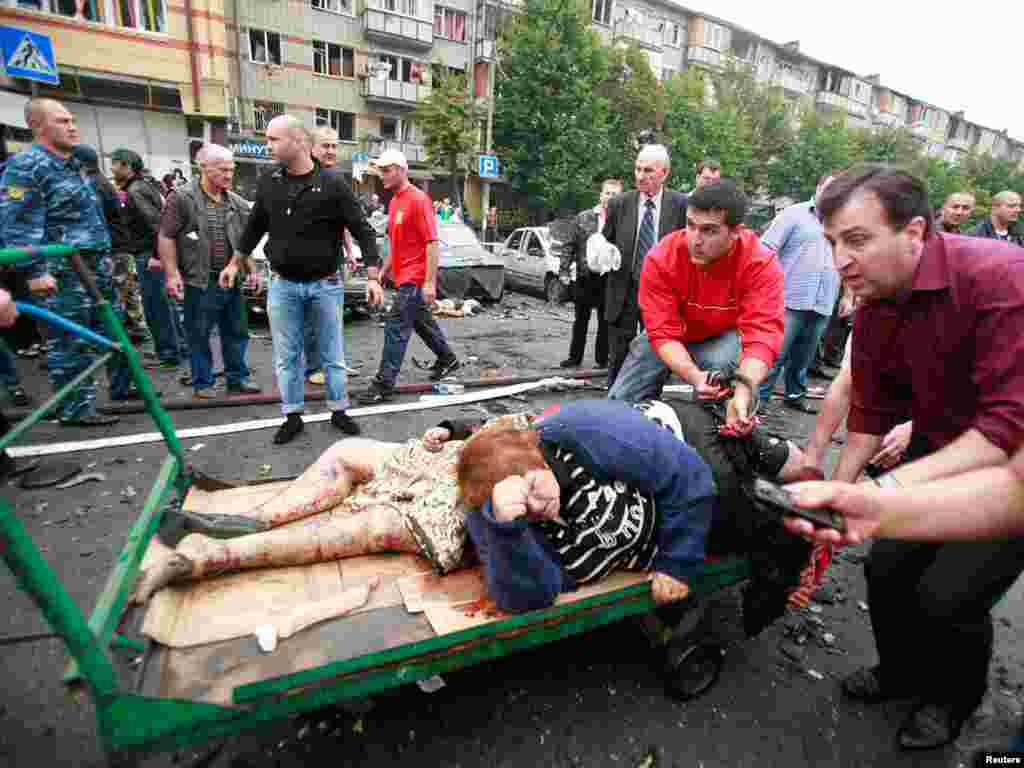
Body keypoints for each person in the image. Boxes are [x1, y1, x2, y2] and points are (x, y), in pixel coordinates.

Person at [806, 163, 1024, 750]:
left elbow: (1005, 428)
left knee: (950, 596)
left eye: (856, 240)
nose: (840, 262)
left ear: (916, 233)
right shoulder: (874, 308)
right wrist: (831, 504)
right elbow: (870, 416)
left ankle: (951, 700)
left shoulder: (1001, 278)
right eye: (832, 244)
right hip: (939, 447)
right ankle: (902, 671)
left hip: (1012, 470)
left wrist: (881, 495)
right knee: (886, 570)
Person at [233, 116, 377, 443]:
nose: (267, 145)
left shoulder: (333, 184)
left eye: (274, 139)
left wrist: (372, 275)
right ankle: (292, 415)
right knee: (287, 355)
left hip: (325, 284)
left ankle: (339, 410)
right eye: (267, 139)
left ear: (298, 141)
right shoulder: (269, 180)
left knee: (332, 353)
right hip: (283, 284)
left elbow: (361, 229)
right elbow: (255, 225)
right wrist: (235, 261)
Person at [608, 180, 784, 438]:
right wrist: (692, 375)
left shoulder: (760, 263)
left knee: (721, 368)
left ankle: (712, 430)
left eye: (709, 231)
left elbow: (762, 337)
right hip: (671, 335)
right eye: (690, 225)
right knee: (619, 401)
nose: (695, 240)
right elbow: (662, 332)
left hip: (721, 336)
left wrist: (744, 390)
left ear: (735, 231)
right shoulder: (661, 258)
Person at [0, 98, 133, 424]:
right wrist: (34, 271)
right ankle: (76, 409)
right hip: (61, 272)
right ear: (37, 126)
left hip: (93, 266)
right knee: (68, 340)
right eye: (62, 121)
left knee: (111, 334)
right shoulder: (27, 166)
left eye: (72, 120)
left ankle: (119, 391)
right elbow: (15, 223)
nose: (72, 126)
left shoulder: (72, 164)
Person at [157, 144, 261, 400]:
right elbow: (166, 236)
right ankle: (203, 382)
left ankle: (237, 378)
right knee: (199, 333)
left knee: (236, 331)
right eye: (222, 170)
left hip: (231, 280)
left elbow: (244, 242)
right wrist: (172, 274)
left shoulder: (236, 203)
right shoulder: (181, 198)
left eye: (231, 170)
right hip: (199, 280)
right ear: (202, 167)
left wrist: (253, 271)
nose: (228, 175)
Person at [359, 149, 459, 404]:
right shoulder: (394, 202)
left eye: (387, 170)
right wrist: (383, 271)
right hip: (403, 276)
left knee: (395, 326)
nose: (382, 175)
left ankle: (384, 384)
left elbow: (432, 243)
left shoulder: (418, 199)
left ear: (401, 170)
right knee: (420, 322)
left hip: (415, 278)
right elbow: (394, 241)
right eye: (381, 171)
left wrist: (429, 282)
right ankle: (448, 359)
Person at [601, 144, 688, 387]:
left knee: (657, 350)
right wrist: (600, 250)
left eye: (648, 170)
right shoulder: (619, 204)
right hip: (624, 289)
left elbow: (687, 249)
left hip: (661, 293)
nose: (640, 176)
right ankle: (614, 398)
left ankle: (649, 398)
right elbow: (605, 240)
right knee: (619, 350)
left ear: (665, 173)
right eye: (637, 169)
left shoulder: (681, 205)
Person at [758, 173, 841, 413]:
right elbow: (765, 250)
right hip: (790, 299)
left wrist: (847, 296)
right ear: (818, 187)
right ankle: (759, 401)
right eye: (828, 188)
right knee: (775, 355)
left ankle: (795, 394)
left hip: (823, 301)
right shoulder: (794, 214)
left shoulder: (841, 222)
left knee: (803, 358)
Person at [109, 147, 186, 369]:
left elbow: (156, 224)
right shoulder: (145, 185)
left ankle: (169, 354)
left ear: (126, 165)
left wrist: (156, 255)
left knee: (156, 307)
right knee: (165, 305)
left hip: (149, 255)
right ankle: (176, 348)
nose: (112, 168)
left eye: (115, 163)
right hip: (152, 253)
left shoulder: (136, 191)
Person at [558, 178, 621, 369]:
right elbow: (569, 245)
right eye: (607, 193)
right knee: (580, 320)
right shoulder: (584, 217)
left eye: (615, 194)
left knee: (605, 321)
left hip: (607, 277)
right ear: (601, 195)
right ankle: (574, 358)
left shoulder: (621, 219)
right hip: (585, 276)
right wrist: (564, 269)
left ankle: (602, 360)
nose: (610, 197)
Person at [303, 126, 341, 387]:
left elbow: (342, 221)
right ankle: (315, 367)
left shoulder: (332, 178)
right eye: (325, 145)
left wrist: (348, 250)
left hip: (332, 262)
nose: (330, 151)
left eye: (334, 146)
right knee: (313, 319)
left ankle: (331, 363)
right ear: (311, 148)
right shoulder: (307, 178)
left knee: (332, 318)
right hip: (310, 265)